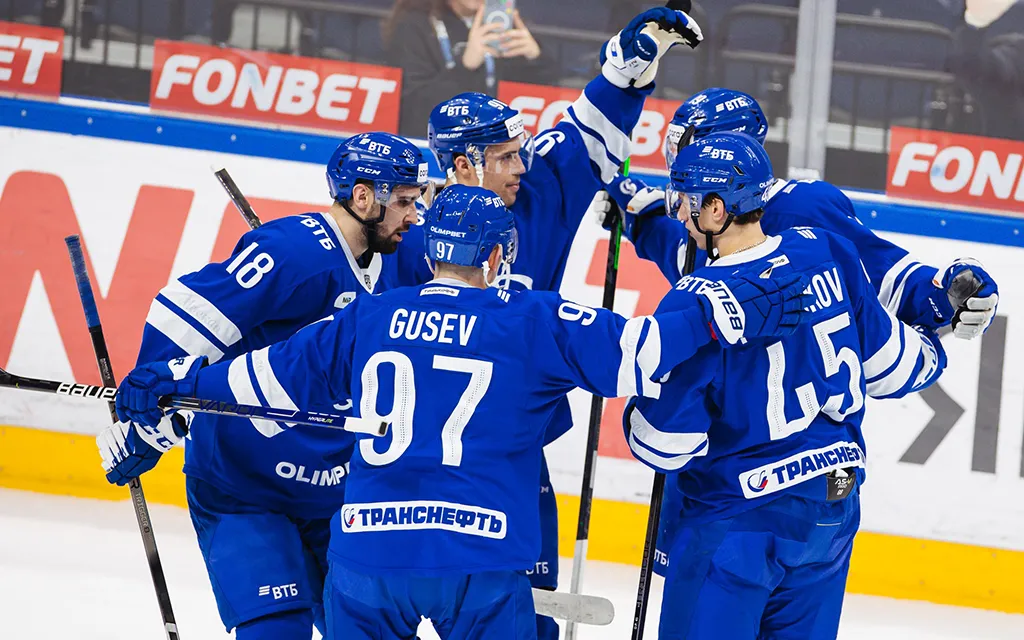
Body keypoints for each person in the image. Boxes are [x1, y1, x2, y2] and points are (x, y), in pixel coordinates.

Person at [112, 183, 813, 639]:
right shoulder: (531, 317)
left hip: (369, 557)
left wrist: (173, 385)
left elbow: (259, 381)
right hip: (480, 558)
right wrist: (719, 312)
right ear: (499, 255)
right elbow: (642, 353)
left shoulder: (368, 316)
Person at [598, 86, 1000, 580]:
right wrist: (638, 216)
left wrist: (945, 295)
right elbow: (684, 257)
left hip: (771, 464)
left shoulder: (802, 212)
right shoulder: (709, 215)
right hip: (721, 453)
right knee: (696, 583)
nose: (679, 164)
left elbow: (882, 274)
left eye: (689, 147)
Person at [401, 7, 705, 637]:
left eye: (521, 153)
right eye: (506, 157)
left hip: (515, 455)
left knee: (529, 614)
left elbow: (588, 132)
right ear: (463, 165)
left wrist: (630, 65)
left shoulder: (534, 195)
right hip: (417, 460)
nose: (522, 166)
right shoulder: (407, 233)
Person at [94, 132, 433, 640]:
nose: (414, 215)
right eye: (404, 202)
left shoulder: (401, 261)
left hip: (338, 493)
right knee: (276, 631)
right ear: (363, 197)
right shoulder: (292, 251)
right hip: (244, 487)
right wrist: (148, 425)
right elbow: (183, 317)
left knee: (374, 633)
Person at [624, 132, 948, 639]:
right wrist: (936, 336)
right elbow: (897, 368)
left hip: (737, 523)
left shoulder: (698, 301)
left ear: (716, 209)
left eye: (687, 202)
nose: (680, 215)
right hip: (833, 513)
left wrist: (639, 401)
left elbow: (662, 445)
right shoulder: (826, 250)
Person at [383, 0, 558, 137]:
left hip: (491, 145)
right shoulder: (413, 24)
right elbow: (412, 109)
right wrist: (466, 67)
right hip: (438, 147)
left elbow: (535, 101)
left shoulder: (502, 24)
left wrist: (536, 58)